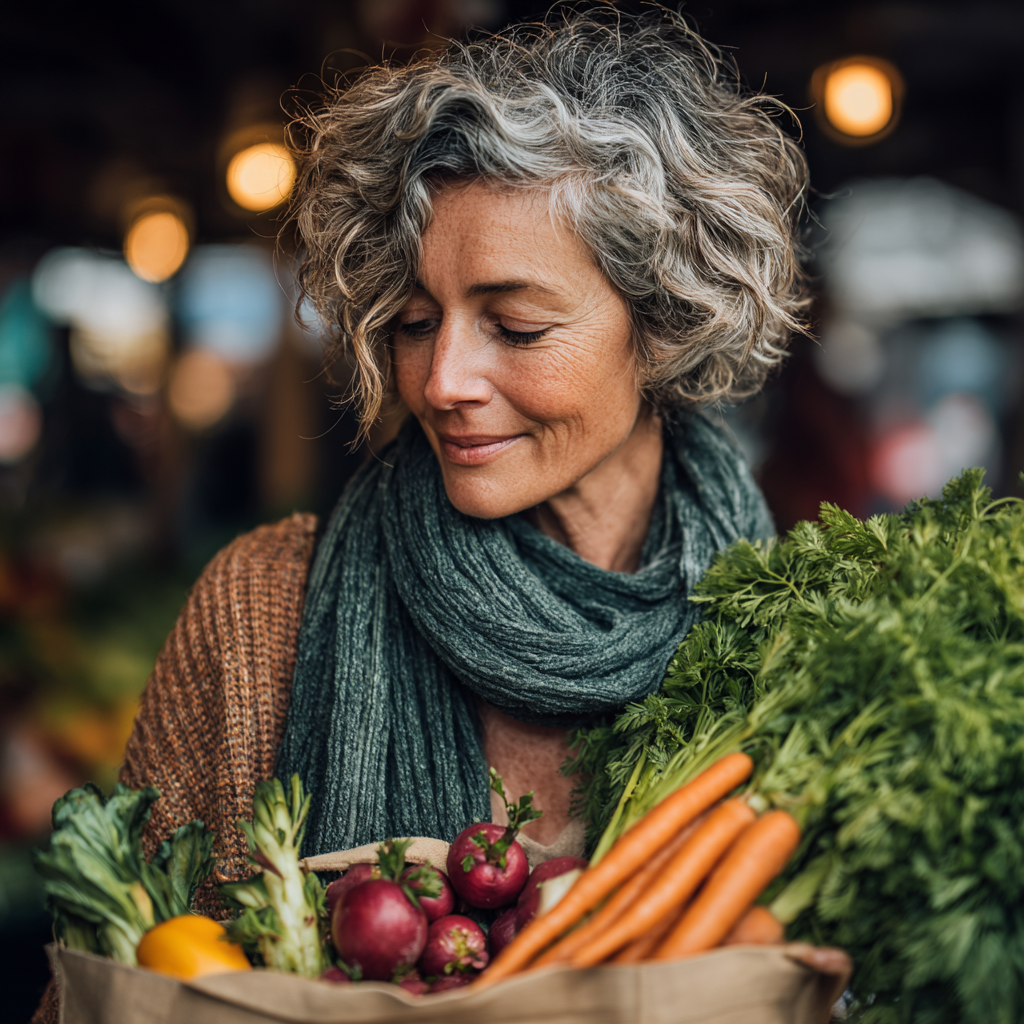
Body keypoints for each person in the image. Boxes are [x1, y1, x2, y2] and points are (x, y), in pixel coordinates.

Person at [35, 7, 808, 1018]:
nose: (441, 380)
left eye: (516, 327)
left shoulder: (792, 634)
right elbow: (110, 976)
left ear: (665, 325)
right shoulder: (258, 608)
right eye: (411, 321)